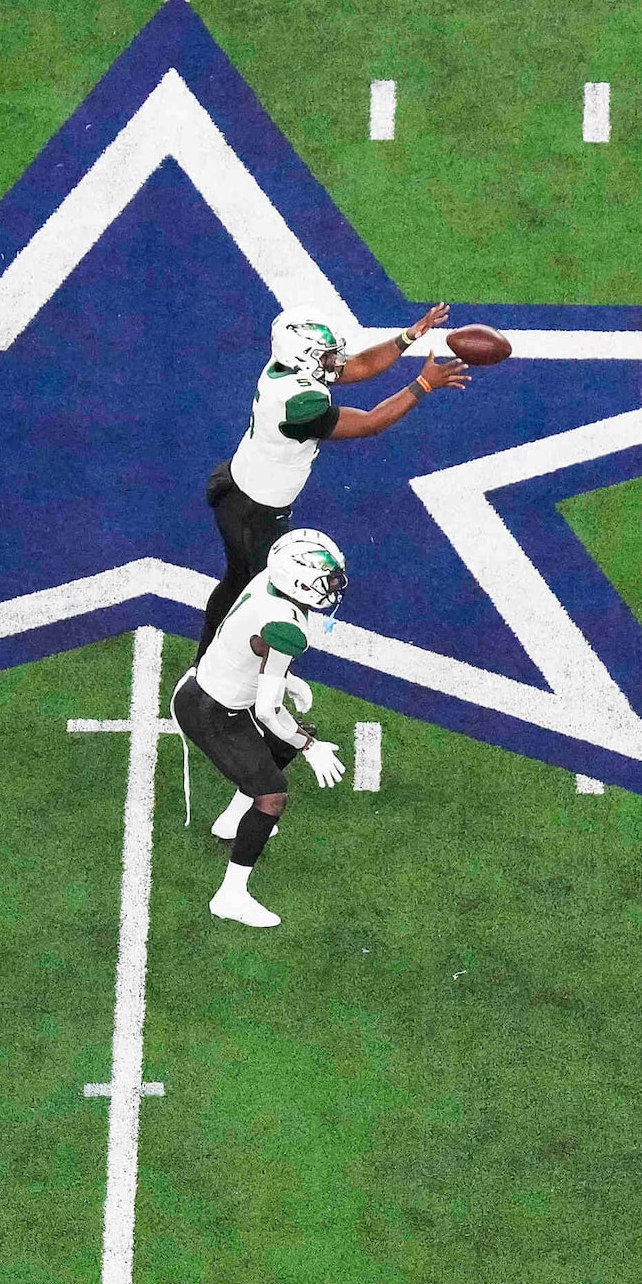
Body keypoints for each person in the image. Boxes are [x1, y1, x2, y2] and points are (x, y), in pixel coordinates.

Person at [199, 305, 466, 653]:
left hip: (239, 487)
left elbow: (359, 366)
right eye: (326, 356)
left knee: (237, 581)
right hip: (256, 511)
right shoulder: (301, 404)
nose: (335, 361)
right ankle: (225, 667)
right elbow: (371, 422)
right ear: (306, 358)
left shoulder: (285, 368)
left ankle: (208, 654)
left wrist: (409, 335)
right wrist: (424, 384)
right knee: (265, 594)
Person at [172, 529, 353, 928]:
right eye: (327, 580)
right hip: (213, 712)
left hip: (204, 688)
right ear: (300, 580)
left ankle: (232, 820)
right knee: (272, 795)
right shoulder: (285, 626)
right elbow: (268, 711)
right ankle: (231, 896)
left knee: (287, 740)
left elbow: (241, 641)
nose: (334, 588)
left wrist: (285, 678)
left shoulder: (267, 583)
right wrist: (311, 747)